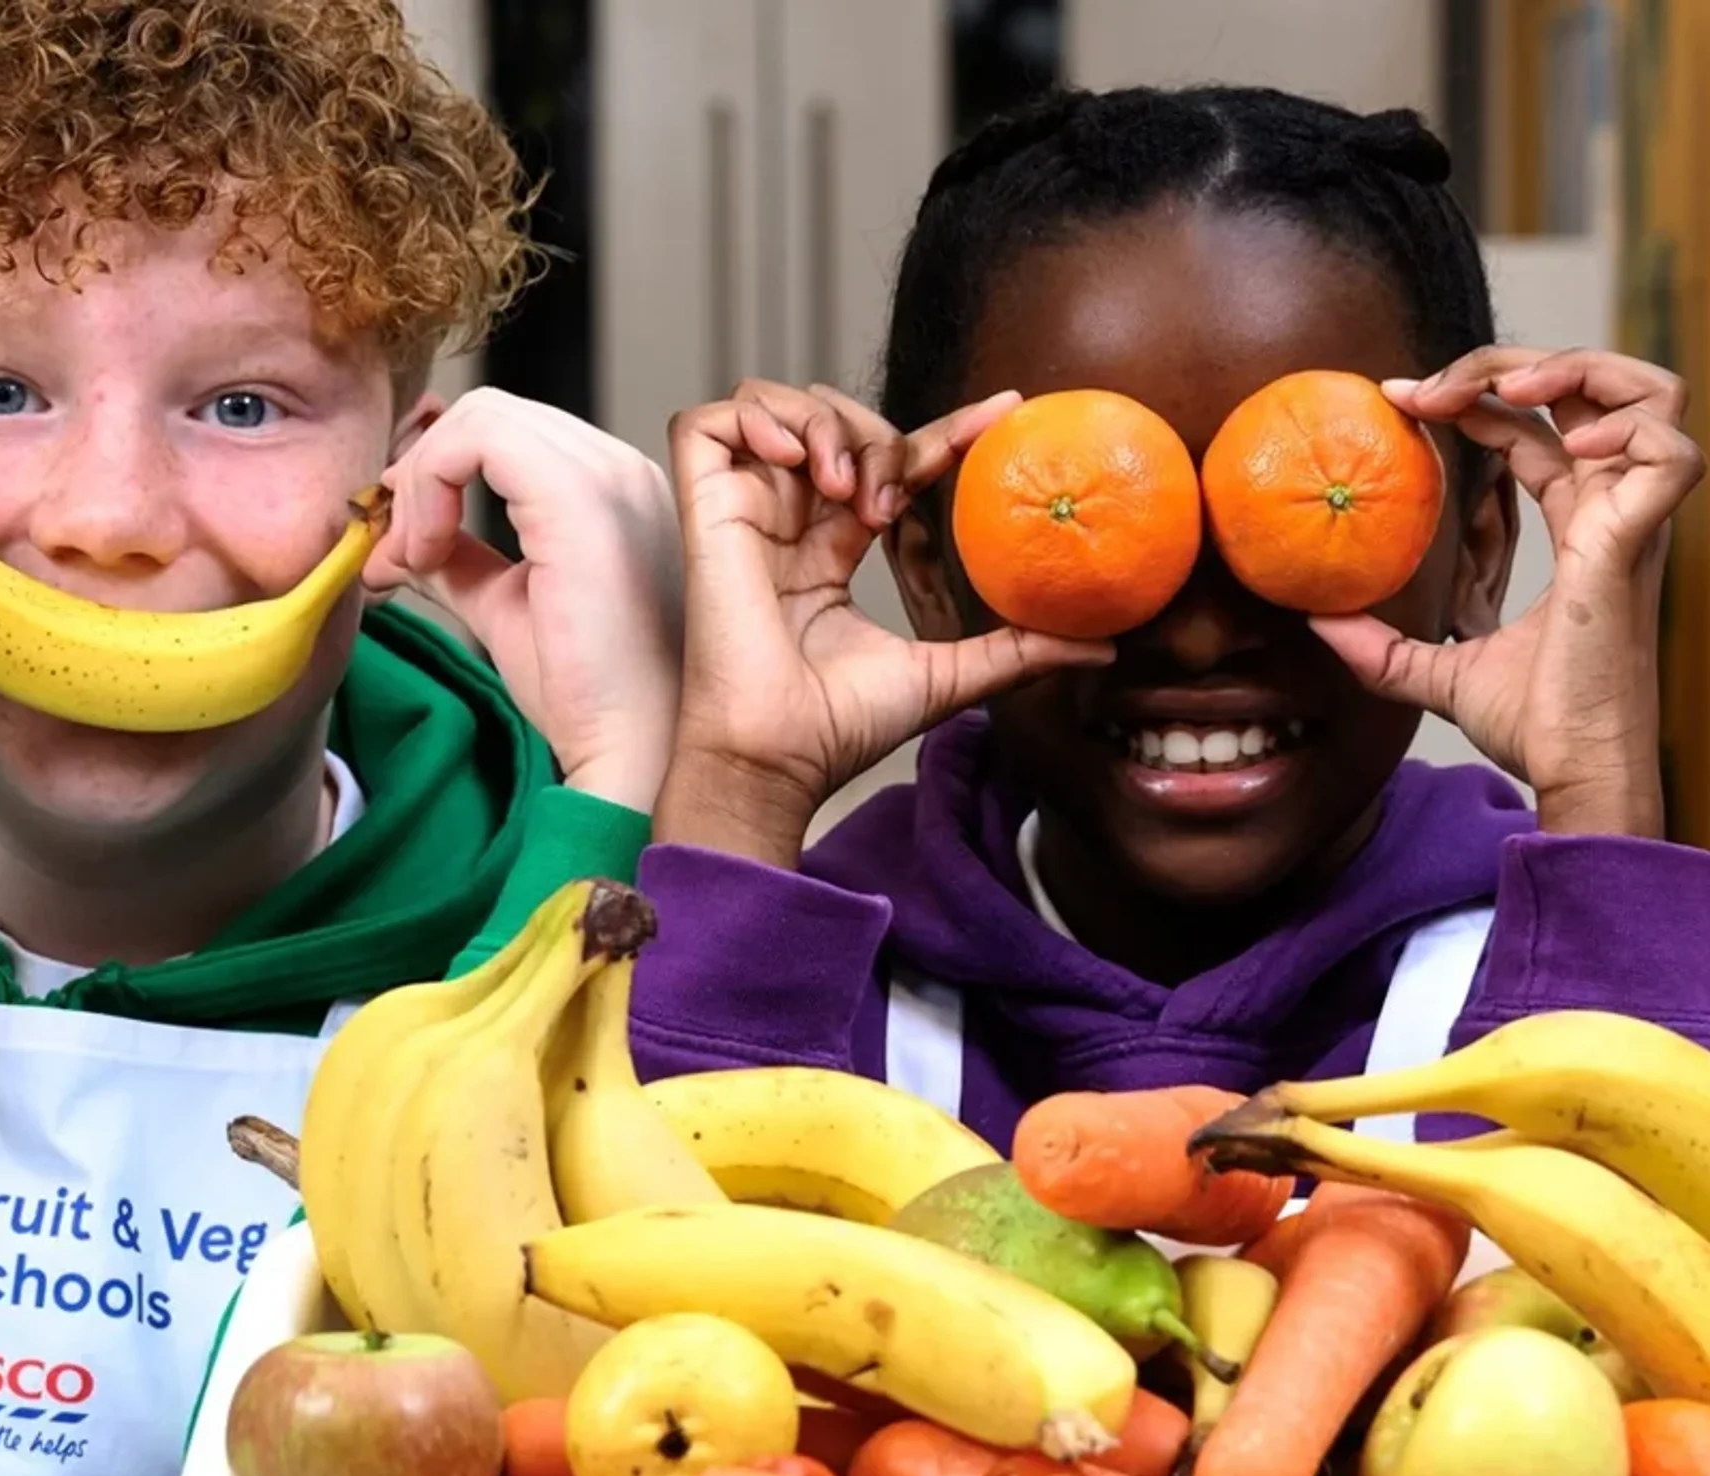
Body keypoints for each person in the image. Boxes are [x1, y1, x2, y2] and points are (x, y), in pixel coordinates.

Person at [0, 1, 679, 1476]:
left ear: (403, 488)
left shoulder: (597, 952)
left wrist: (619, 780)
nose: (112, 518)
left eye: (241, 404)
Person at [629, 84, 1710, 1156]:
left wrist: (1599, 788)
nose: (1201, 636)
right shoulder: (799, 965)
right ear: (931, 570)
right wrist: (741, 781)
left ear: (1473, 551)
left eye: (1284, 523)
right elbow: (662, 1235)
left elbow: (1638, 1249)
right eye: (1109, 522)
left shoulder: (1583, 955)